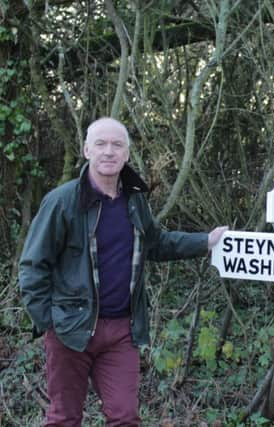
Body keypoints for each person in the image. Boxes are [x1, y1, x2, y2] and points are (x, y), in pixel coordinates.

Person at [18, 117, 228, 427]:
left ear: (127, 154)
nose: (108, 151)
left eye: (117, 145)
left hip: (120, 332)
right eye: (100, 144)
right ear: (86, 149)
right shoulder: (62, 202)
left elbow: (156, 243)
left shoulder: (134, 199)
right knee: (64, 418)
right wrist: (49, 321)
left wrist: (205, 241)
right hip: (69, 330)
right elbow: (33, 265)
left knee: (125, 417)